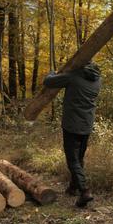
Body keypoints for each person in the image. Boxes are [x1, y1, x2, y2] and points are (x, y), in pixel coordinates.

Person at [43, 61, 102, 208]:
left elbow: (48, 82)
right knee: (79, 158)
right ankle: (73, 188)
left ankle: (84, 191)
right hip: (87, 125)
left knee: (72, 160)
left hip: (72, 125)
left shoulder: (73, 77)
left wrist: (52, 73)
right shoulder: (98, 80)